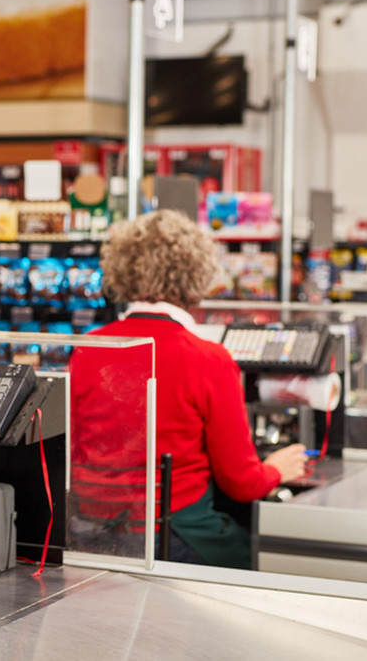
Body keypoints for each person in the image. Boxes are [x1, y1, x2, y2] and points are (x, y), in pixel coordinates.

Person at [67, 209, 308, 570]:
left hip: (89, 535)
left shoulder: (88, 348)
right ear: (197, 274)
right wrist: (275, 468)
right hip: (174, 537)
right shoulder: (208, 358)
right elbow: (242, 482)